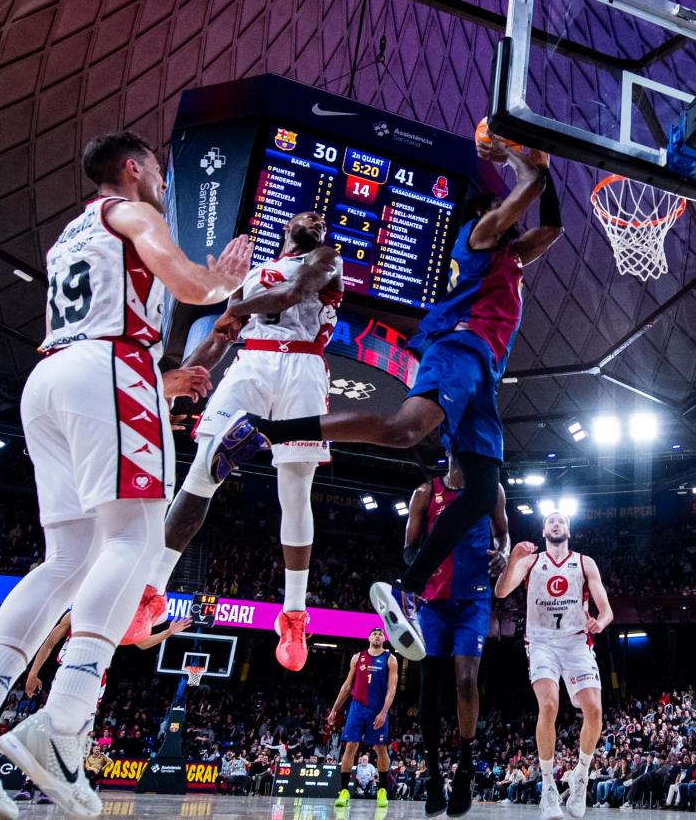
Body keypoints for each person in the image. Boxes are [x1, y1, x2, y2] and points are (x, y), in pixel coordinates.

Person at [0, 130, 250, 820]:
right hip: (106, 372)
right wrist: (224, 278)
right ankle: (62, 725)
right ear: (132, 168)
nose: (161, 186)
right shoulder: (130, 210)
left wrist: (161, 381)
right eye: (156, 172)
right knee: (135, 539)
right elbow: (187, 283)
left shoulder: (69, 237)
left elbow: (97, 322)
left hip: (55, 378)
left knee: (67, 558)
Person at [230, 121, 564, 660]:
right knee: (404, 428)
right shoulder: (478, 239)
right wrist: (526, 163)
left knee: (481, 492)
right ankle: (270, 431)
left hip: (484, 371)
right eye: (503, 216)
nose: (513, 224)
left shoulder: (511, 259)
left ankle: (405, 590)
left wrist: (544, 170)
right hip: (459, 347)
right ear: (488, 220)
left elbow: (552, 227)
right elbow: (523, 200)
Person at [132, 211, 343, 672]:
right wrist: (186, 375)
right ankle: (152, 592)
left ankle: (292, 615)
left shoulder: (325, 258)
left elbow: (288, 296)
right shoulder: (251, 275)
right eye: (308, 214)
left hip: (303, 366)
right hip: (252, 363)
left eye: (322, 220)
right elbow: (221, 336)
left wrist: (230, 297)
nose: (316, 219)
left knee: (295, 490)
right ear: (286, 226)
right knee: (203, 469)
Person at [408, 450, 509, 818]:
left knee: (466, 681)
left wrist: (503, 553)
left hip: (474, 601)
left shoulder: (490, 490)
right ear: (450, 451)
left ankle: (465, 768)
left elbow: (504, 534)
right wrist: (416, 575)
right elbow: (409, 549)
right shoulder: (424, 493)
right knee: (428, 687)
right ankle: (434, 774)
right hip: (433, 603)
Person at [496, 510, 614, 819]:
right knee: (548, 706)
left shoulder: (585, 562)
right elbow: (501, 591)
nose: (556, 523)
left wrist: (599, 623)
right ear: (544, 530)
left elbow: (606, 611)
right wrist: (512, 559)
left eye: (561, 520)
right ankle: (548, 786)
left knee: (595, 710)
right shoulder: (531, 561)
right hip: (541, 642)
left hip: (576, 642)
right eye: (551, 520)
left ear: (569, 531)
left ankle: (581, 774)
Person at [13, 611, 193, 802]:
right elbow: (49, 642)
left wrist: (169, 632)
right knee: (48, 728)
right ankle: (28, 784)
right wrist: (33, 673)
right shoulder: (75, 614)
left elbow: (143, 643)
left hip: (96, 680)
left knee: (76, 736)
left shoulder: (118, 619)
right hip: (68, 672)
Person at [328, 627, 399, 809]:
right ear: (368, 637)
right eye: (374, 633)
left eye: (380, 634)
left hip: (377, 709)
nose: (377, 635)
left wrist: (383, 712)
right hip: (357, 707)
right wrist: (335, 709)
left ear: (384, 638)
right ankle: (344, 791)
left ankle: (382, 790)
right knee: (350, 746)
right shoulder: (356, 657)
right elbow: (347, 685)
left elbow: (392, 689)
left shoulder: (390, 659)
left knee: (381, 748)